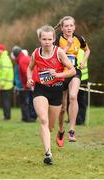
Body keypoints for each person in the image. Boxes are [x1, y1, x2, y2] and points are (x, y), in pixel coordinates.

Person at [27, 25, 76, 165]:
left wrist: (58, 74)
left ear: (54, 39)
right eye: (44, 39)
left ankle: (49, 135)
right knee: (43, 119)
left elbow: (72, 71)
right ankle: (48, 153)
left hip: (56, 90)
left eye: (49, 39)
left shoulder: (59, 52)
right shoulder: (36, 53)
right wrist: (29, 78)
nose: (47, 42)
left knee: (50, 127)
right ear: (40, 39)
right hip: (40, 89)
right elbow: (29, 68)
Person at [54, 16, 90, 146]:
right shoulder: (57, 39)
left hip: (74, 71)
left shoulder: (79, 39)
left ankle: (72, 130)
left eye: (71, 26)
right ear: (62, 28)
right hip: (61, 74)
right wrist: (67, 46)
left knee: (73, 96)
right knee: (62, 108)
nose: (69, 28)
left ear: (74, 27)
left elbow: (87, 50)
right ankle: (61, 130)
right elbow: (55, 56)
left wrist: (83, 62)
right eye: (66, 26)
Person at [11, 46, 37, 122]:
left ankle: (28, 118)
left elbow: (27, 73)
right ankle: (31, 117)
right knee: (30, 101)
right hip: (32, 82)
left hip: (29, 84)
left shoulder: (22, 60)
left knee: (26, 102)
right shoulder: (24, 58)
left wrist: (27, 85)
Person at [0, 44, 14, 120]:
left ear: (2, 50)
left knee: (6, 101)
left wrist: (2, 84)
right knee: (4, 101)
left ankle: (7, 116)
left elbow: (5, 72)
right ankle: (6, 115)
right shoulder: (2, 58)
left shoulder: (4, 59)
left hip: (6, 85)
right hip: (5, 84)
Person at [76, 49, 89, 125]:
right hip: (76, 78)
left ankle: (81, 120)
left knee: (81, 100)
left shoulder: (82, 51)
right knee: (73, 100)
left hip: (82, 79)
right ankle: (74, 119)